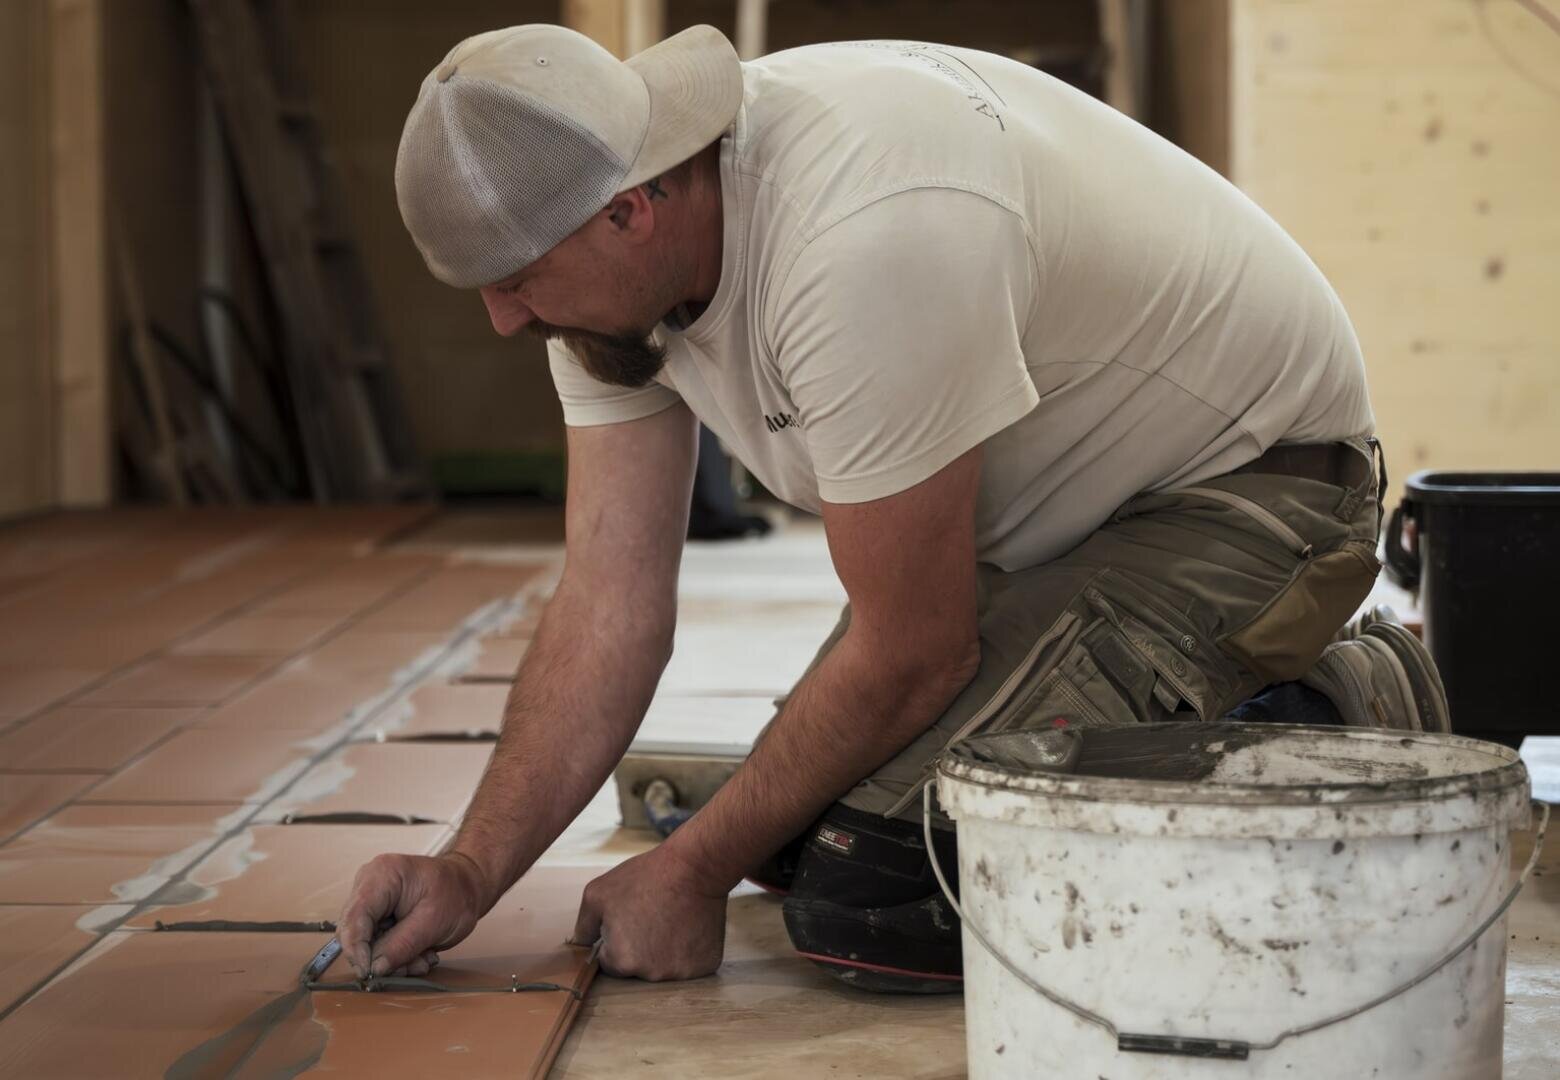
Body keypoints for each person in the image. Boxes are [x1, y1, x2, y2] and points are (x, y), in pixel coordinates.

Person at [339, 23, 1448, 993]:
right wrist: (471, 868)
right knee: (792, 836)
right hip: (1050, 522)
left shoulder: (860, 235)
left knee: (884, 896)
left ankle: (1335, 702)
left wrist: (686, 872)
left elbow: (916, 649)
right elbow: (608, 597)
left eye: (516, 279)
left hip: (1253, 490)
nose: (500, 320)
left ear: (629, 210)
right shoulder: (601, 288)